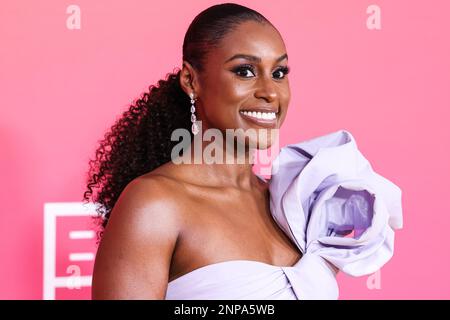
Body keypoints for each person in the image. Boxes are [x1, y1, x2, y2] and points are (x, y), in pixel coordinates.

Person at [84, 3, 402, 300]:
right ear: (190, 80)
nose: (269, 92)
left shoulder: (291, 203)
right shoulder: (154, 205)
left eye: (279, 73)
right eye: (245, 71)